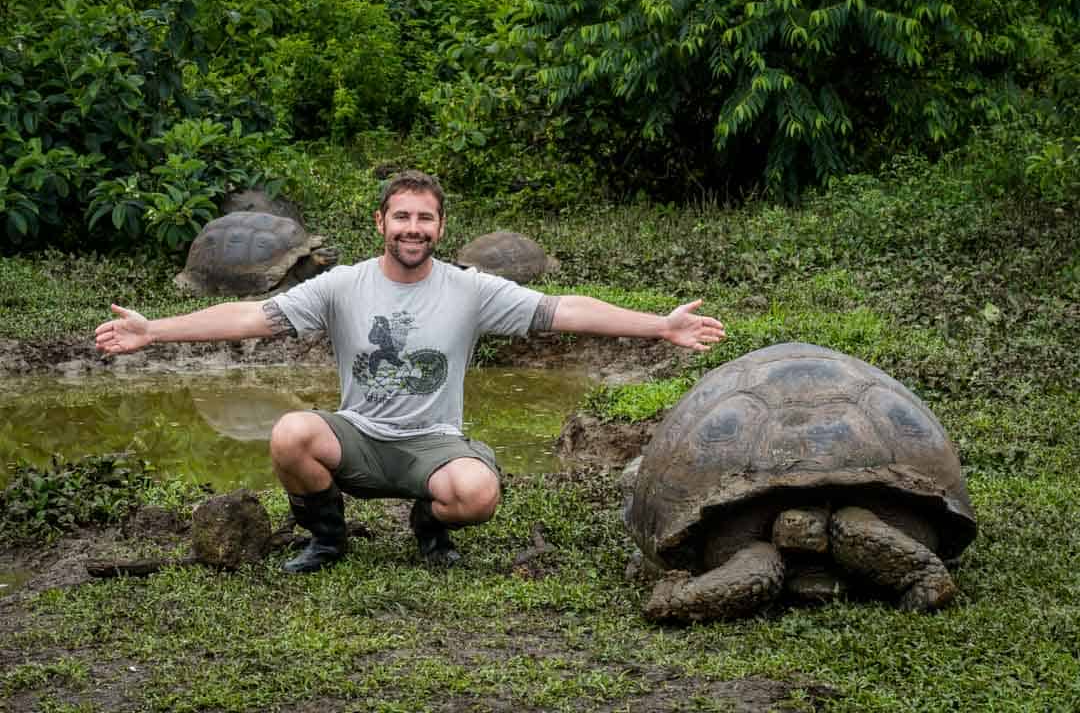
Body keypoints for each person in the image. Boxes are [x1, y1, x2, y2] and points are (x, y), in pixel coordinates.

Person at [95, 170, 727, 573]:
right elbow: (250, 318)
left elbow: (564, 311)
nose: (413, 228)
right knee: (291, 433)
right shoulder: (342, 285)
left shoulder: (469, 288)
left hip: (435, 444)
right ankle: (326, 539)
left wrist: (659, 325)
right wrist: (154, 331)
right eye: (402, 217)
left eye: (425, 218)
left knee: (477, 494)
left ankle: (429, 525)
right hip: (359, 434)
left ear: (440, 226)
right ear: (382, 223)